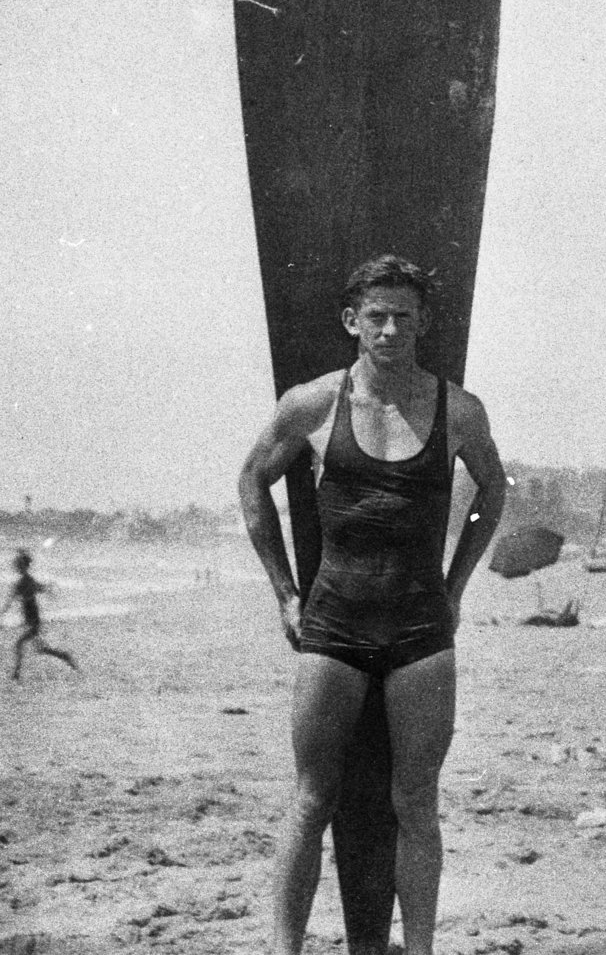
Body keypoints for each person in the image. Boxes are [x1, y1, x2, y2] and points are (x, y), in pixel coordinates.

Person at [238, 254, 507, 955]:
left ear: (423, 324)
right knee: (310, 797)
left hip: (420, 628)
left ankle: (416, 950)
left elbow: (493, 492)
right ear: (352, 320)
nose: (390, 329)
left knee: (416, 800)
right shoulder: (316, 403)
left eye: (404, 317)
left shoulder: (459, 409)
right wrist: (285, 593)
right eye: (377, 316)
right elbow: (250, 480)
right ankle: (282, 948)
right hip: (334, 623)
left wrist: (454, 587)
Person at [0, 549, 78, 682]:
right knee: (41, 649)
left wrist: (2, 615)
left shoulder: (25, 582)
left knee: (20, 644)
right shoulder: (26, 581)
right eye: (17, 565)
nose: (16, 567)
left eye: (18, 565)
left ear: (23, 566)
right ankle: (65, 656)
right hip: (31, 619)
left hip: (33, 619)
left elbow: (12, 599)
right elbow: (39, 589)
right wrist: (49, 588)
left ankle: (16, 674)